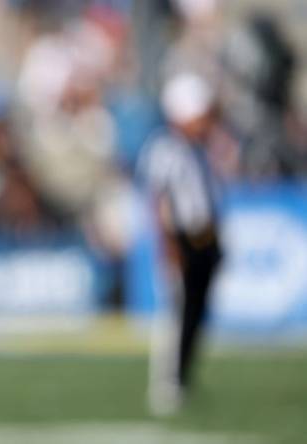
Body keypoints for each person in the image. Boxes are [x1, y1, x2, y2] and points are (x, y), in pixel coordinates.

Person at [137, 71, 224, 415]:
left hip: (204, 240)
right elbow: (159, 203)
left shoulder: (198, 149)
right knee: (177, 314)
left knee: (197, 312)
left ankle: (183, 377)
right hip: (182, 241)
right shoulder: (165, 150)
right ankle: (168, 382)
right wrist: (168, 246)